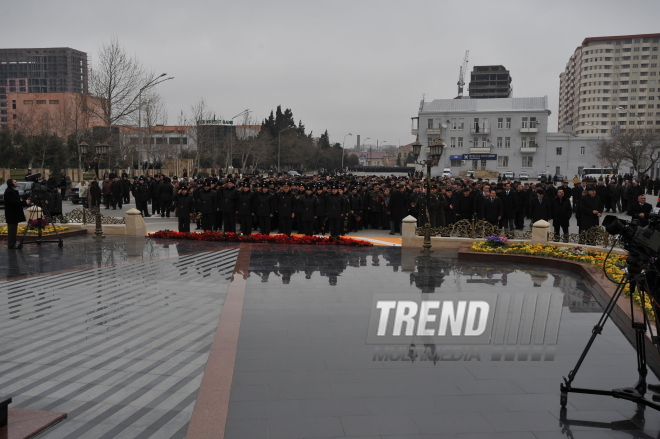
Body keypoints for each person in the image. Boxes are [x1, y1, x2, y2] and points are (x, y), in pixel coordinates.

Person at [4, 179, 31, 249]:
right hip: (12, 214)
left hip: (13, 214)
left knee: (13, 229)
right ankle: (11, 244)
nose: (17, 183)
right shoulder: (9, 192)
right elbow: (14, 203)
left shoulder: (11, 191)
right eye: (15, 182)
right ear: (11, 184)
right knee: (12, 230)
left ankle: (12, 243)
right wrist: (24, 202)